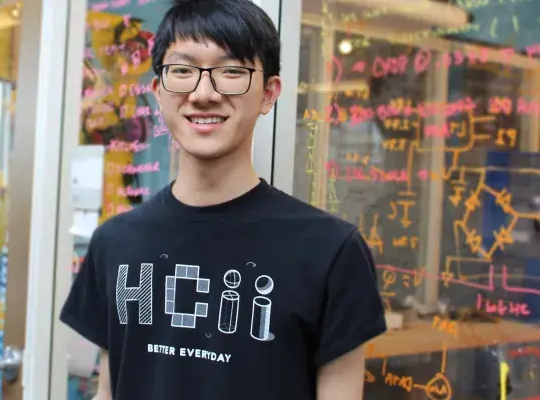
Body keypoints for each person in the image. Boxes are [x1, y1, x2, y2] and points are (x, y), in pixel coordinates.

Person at [60, 0, 386, 399]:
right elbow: (109, 390)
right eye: (182, 70)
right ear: (160, 93)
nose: (203, 93)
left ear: (269, 94)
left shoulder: (331, 252)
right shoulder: (114, 242)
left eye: (231, 72)